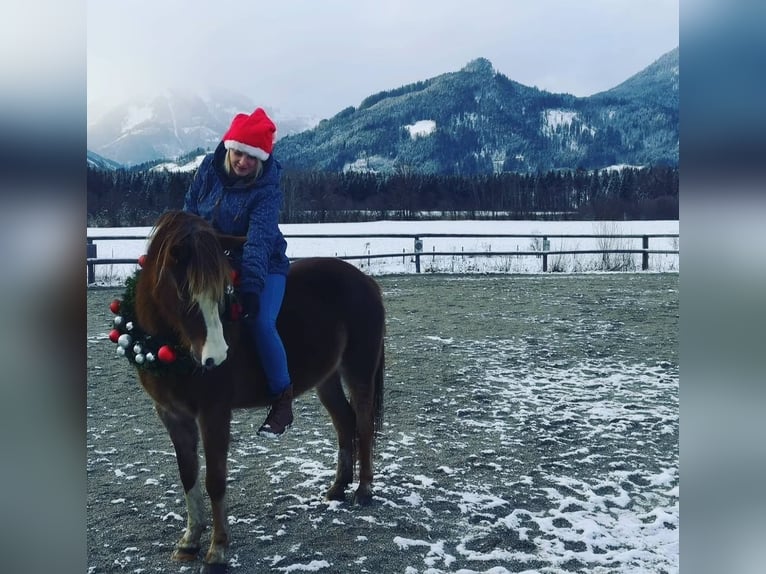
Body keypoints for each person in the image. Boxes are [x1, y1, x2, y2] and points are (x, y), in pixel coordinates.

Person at [183, 107, 293, 437]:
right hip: (212, 259)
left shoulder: (267, 189)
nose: (242, 161)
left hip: (262, 261)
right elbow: (189, 211)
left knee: (260, 321)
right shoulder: (208, 169)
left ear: (261, 161)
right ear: (228, 147)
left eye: (250, 157)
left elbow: (260, 239)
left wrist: (252, 286)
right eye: (238, 152)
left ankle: (283, 398)